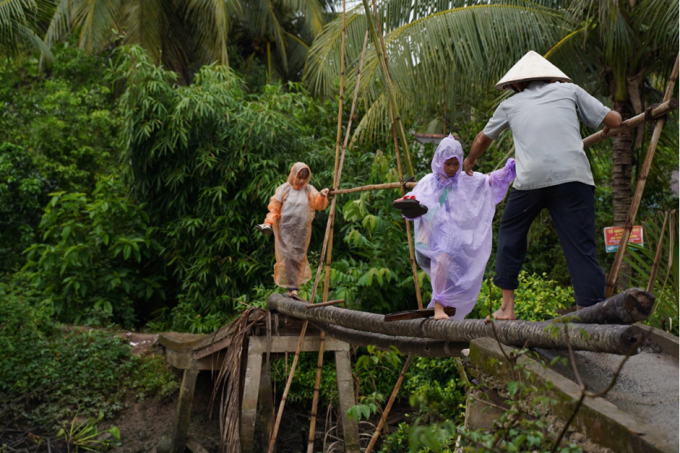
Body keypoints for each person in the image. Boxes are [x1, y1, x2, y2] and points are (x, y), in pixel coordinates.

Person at [463, 50, 623, 320]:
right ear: (550, 78)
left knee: (511, 234)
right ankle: (592, 311)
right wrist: (608, 126)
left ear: (516, 85)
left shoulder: (511, 105)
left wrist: (469, 162)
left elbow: (482, 139)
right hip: (574, 178)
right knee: (580, 245)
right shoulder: (569, 91)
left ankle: (506, 308)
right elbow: (615, 121)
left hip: (530, 182)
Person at [397, 135, 516, 320]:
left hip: (453, 246)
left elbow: (487, 181)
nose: (452, 168)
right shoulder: (429, 182)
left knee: (450, 268)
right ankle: (438, 306)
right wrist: (407, 203)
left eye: (455, 163)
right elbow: (414, 199)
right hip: (429, 244)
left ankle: (445, 309)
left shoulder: (465, 179)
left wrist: (507, 171)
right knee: (442, 257)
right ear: (439, 161)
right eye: (448, 164)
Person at [255, 162, 329, 300]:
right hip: (285, 229)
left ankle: (294, 288)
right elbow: (274, 207)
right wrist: (269, 222)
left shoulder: (309, 190)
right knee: (288, 255)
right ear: (293, 175)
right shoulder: (284, 189)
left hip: (302, 231)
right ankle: (292, 288)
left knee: (298, 257)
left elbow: (318, 204)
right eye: (299, 177)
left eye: (304, 178)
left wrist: (323, 195)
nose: (301, 181)